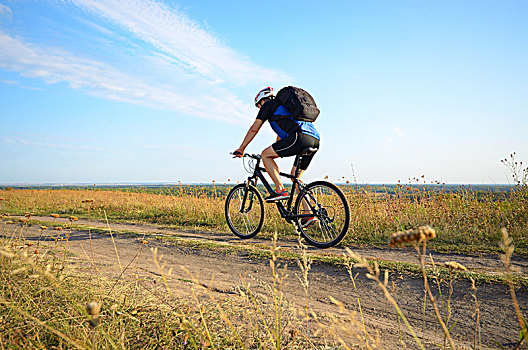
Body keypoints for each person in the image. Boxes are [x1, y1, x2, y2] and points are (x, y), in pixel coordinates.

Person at [233, 87, 320, 225]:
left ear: (262, 101)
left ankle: (280, 190)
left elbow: (254, 128)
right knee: (296, 178)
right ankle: (309, 213)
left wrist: (241, 149)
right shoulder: (285, 109)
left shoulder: (268, 105)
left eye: (258, 106)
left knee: (265, 155)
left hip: (299, 138)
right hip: (314, 139)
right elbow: (281, 136)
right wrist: (276, 152)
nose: (259, 108)